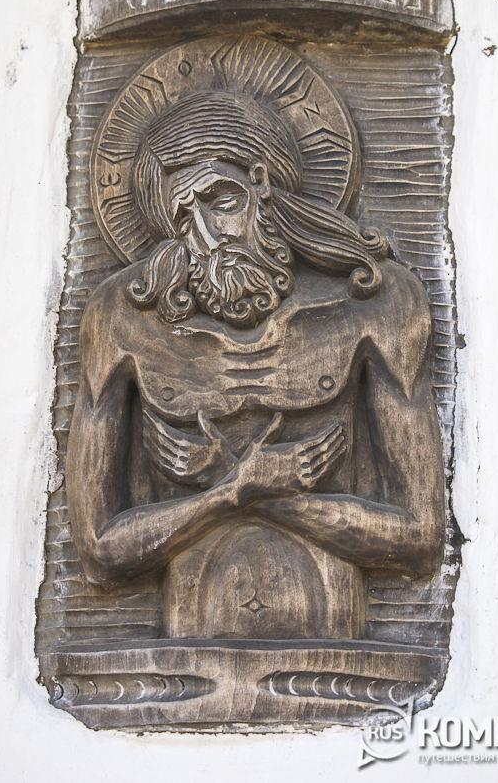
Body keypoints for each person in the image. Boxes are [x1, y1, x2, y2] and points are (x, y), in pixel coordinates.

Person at [66, 91, 445, 640]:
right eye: (183, 216)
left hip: (338, 651)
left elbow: (419, 538)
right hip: (184, 652)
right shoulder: (119, 319)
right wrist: (238, 489)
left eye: (220, 199)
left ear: (261, 182)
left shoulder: (375, 304)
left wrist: (238, 484)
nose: (208, 235)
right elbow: (99, 553)